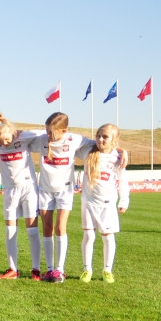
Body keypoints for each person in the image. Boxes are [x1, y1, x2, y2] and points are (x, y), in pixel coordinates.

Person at [35, 112, 95, 283]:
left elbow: (98, 144)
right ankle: (49, 269)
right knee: (47, 228)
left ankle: (60, 270)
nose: (48, 135)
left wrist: (120, 149)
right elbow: (23, 136)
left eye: (51, 132)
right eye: (46, 131)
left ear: (64, 131)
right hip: (45, 190)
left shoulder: (74, 139)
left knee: (60, 227)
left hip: (64, 191)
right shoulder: (41, 140)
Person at [0, 113, 43, 280]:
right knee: (10, 230)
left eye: (6, 138)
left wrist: (21, 130)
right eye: (0, 141)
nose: (4, 143)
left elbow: (44, 132)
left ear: (12, 131)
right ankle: (13, 269)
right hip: (10, 191)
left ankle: (36, 269)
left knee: (32, 230)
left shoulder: (22, 137)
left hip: (29, 189)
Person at [80, 124, 129, 283]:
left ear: (115, 141)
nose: (100, 139)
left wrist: (124, 200)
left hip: (107, 203)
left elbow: (122, 180)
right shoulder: (88, 152)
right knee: (88, 235)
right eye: (98, 135)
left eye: (105, 136)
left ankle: (107, 270)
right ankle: (87, 269)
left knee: (108, 237)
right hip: (88, 201)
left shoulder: (118, 158)